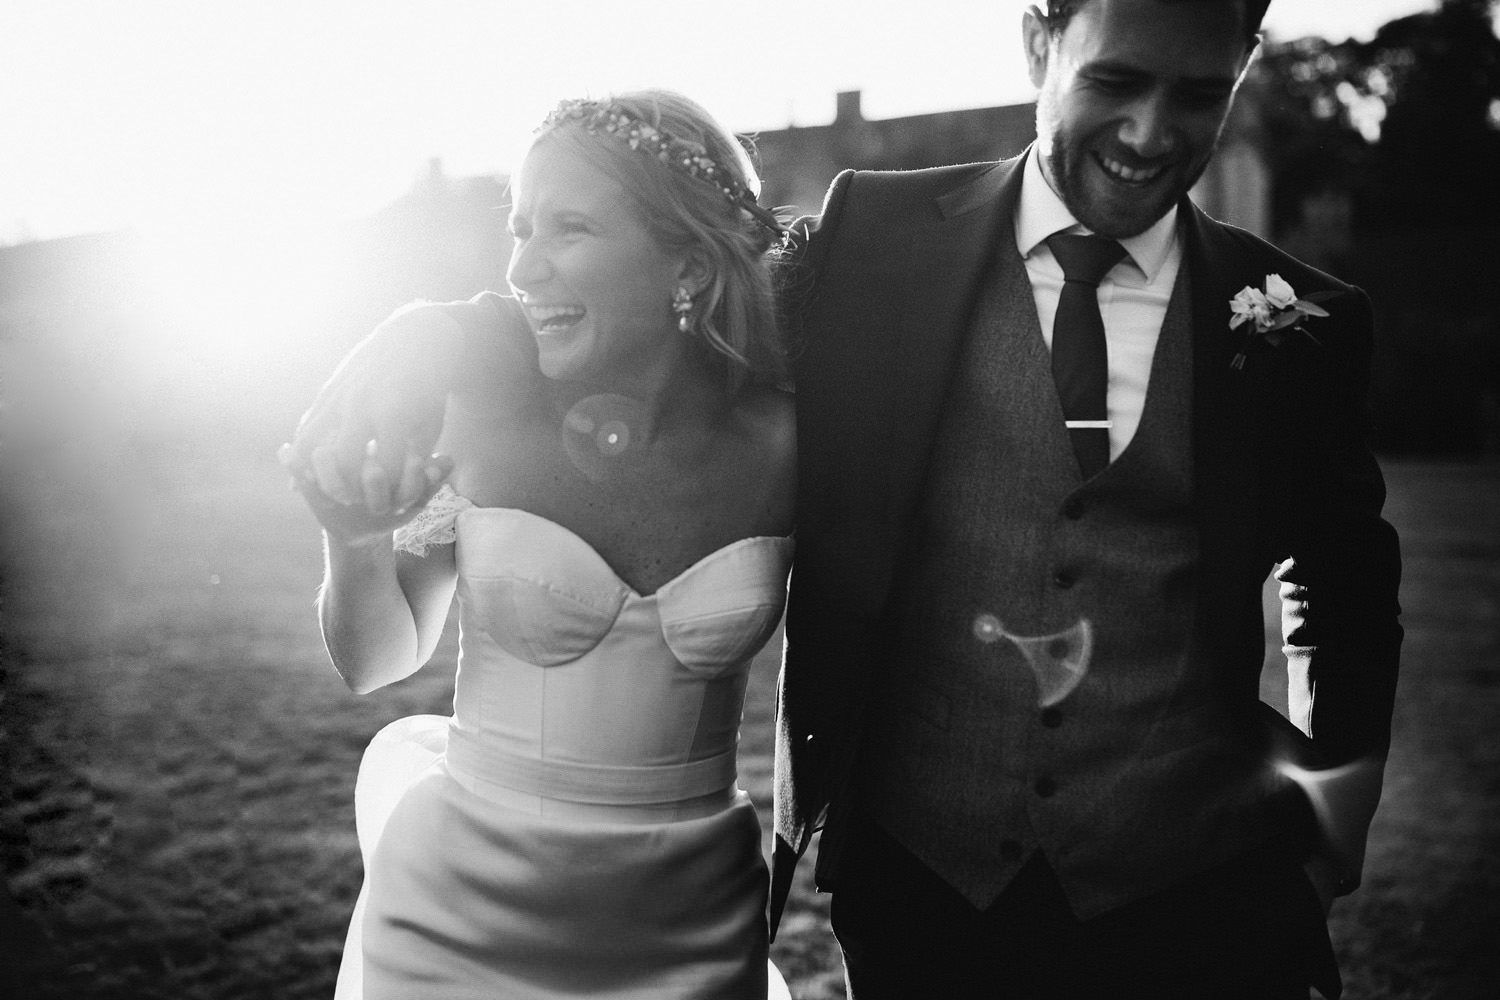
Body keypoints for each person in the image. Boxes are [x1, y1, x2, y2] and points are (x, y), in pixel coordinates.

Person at [288, 2, 1403, 996]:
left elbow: (1344, 584)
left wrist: (1330, 818)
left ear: (1245, 70)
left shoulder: (1298, 320)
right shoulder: (875, 240)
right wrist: (428, 325)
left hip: (1185, 904)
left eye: (1200, 94)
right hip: (922, 897)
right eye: (1115, 81)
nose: (1151, 132)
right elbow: (643, 303)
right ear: (1038, 42)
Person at [283, 90, 797, 999]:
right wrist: (352, 541)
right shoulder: (483, 412)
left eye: (567, 228)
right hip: (459, 928)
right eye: (518, 227)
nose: (522, 265)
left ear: (685, 254)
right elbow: (374, 661)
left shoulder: (786, 441)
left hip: (692, 931)